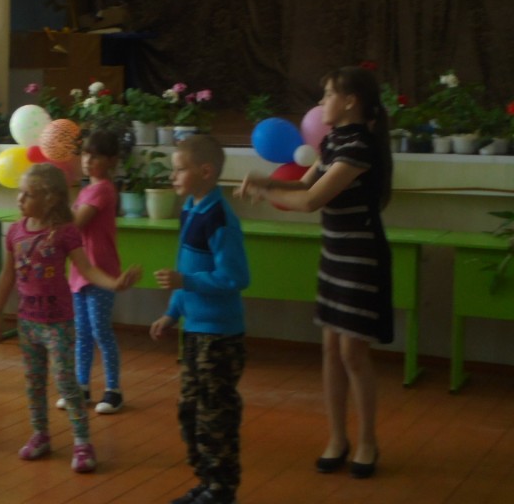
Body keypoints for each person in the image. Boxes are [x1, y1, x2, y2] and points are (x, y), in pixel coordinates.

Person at [237, 66, 393, 481]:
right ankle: (338, 438)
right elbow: (304, 182)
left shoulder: (359, 146)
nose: (321, 102)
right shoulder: (332, 141)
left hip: (361, 257)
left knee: (352, 353)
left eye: (328, 95)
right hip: (335, 253)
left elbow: (311, 201)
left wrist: (263, 192)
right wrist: (265, 180)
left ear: (350, 101)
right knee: (330, 351)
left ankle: (368, 441)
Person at [0, 163, 141, 474]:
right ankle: (40, 434)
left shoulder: (65, 232)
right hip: (27, 323)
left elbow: (86, 269)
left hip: (58, 323)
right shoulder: (16, 231)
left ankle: (82, 442)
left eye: (27, 194)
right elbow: (7, 274)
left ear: (49, 198)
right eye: (20, 193)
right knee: (34, 383)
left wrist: (114, 283)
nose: (19, 199)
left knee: (66, 382)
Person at [150, 134, 250, 504]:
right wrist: (172, 312)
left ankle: (221, 490)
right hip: (194, 332)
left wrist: (186, 283)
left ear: (205, 172)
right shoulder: (191, 210)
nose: (172, 176)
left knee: (215, 416)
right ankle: (207, 483)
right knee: (190, 412)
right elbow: (186, 268)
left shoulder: (220, 218)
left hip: (219, 338)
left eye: (180, 169)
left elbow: (235, 277)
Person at [60, 129, 126, 414]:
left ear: (111, 160)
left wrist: (54, 205)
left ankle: (113, 390)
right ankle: (82, 387)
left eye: (95, 156)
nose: (87, 160)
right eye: (85, 154)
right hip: (80, 271)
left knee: (100, 330)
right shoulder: (87, 189)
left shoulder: (103, 189)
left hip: (101, 271)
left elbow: (76, 224)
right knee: (83, 333)